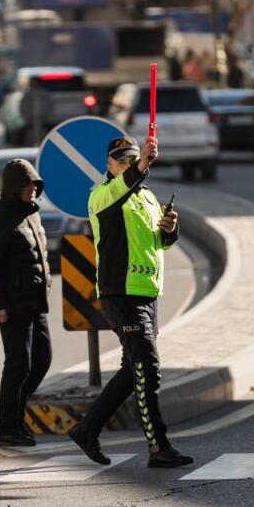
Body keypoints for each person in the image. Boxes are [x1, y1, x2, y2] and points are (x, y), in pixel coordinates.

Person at [68, 135, 193, 469]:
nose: (127, 165)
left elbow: (159, 242)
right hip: (120, 293)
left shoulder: (148, 198)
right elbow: (124, 185)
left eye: (132, 159)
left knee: (132, 370)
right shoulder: (103, 196)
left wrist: (170, 228)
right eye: (121, 161)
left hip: (147, 292)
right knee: (148, 367)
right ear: (109, 166)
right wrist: (140, 166)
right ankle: (158, 447)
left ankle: (86, 429)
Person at [0, 157, 53, 448]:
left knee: (41, 362)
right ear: (14, 187)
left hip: (36, 302)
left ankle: (17, 419)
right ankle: (7, 428)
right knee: (18, 365)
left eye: (35, 183)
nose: (33, 188)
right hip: (12, 305)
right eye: (27, 184)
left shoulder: (32, 214)